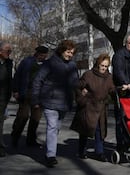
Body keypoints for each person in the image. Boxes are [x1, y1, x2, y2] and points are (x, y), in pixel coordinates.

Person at [31, 40, 79, 168]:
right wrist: (35, 100)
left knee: (56, 128)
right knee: (52, 127)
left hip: (65, 102)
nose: (70, 55)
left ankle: (49, 148)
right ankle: (50, 155)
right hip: (49, 101)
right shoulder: (50, 63)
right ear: (61, 50)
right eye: (68, 52)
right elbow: (37, 81)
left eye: (72, 53)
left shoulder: (73, 65)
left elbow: (76, 83)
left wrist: (82, 89)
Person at [70, 53, 115, 162]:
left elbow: (112, 90)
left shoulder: (109, 77)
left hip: (101, 108)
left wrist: (120, 91)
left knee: (99, 131)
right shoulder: (88, 75)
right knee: (85, 130)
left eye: (106, 66)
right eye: (102, 65)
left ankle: (99, 153)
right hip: (89, 107)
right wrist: (82, 99)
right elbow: (77, 87)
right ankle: (81, 151)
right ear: (98, 64)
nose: (104, 68)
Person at [11, 45, 49, 148]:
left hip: (39, 95)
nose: (43, 57)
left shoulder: (47, 65)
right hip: (25, 93)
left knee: (35, 119)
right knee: (23, 116)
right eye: (41, 54)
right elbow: (17, 76)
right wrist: (15, 90)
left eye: (45, 55)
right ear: (37, 53)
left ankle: (31, 140)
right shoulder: (27, 61)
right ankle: (15, 137)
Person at [0, 42, 13, 158]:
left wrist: (10, 93)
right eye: (7, 51)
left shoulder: (9, 63)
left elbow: (10, 79)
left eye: (10, 51)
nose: (9, 53)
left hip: (3, 98)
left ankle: (0, 148)